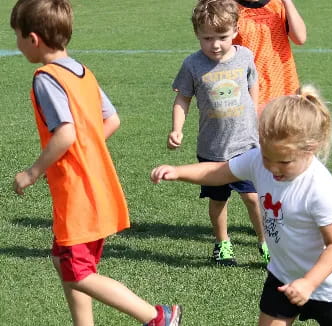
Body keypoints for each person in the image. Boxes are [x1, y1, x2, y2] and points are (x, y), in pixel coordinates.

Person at [10, 0, 182, 325]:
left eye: (16, 35)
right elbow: (112, 120)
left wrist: (33, 172)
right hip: (97, 186)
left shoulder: (46, 78)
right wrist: (75, 158)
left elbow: (65, 134)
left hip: (79, 196)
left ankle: (158, 317)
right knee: (67, 263)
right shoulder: (82, 72)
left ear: (33, 39)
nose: (15, 43)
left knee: (77, 271)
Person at [152, 85, 332, 326]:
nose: (272, 168)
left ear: (309, 149)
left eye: (284, 162)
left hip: (330, 287)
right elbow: (221, 171)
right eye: (267, 158)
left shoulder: (320, 188)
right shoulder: (259, 159)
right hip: (283, 274)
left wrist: (309, 282)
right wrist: (178, 172)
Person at [167, 0, 268, 266]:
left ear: (235, 30)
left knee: (252, 197)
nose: (215, 44)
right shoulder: (192, 65)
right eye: (207, 38)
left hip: (246, 144)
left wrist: (253, 111)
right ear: (197, 35)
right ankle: (223, 244)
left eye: (222, 37)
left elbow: (253, 82)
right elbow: (183, 99)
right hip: (212, 148)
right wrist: (177, 129)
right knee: (218, 199)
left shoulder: (245, 55)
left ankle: (265, 241)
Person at [233, 0, 307, 113]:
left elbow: (300, 38)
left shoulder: (278, 4)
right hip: (249, 89)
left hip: (283, 85)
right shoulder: (228, 7)